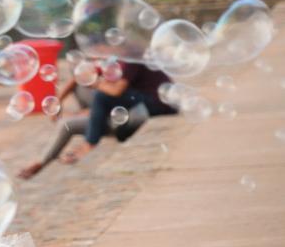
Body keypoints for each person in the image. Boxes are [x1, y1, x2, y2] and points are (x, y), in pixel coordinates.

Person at [18, 61, 176, 180]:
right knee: (67, 124)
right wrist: (57, 101)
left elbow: (116, 90)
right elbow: (79, 77)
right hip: (124, 110)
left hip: (150, 107)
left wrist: (95, 82)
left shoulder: (131, 59)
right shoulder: (113, 60)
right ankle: (41, 163)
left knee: (101, 95)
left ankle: (89, 144)